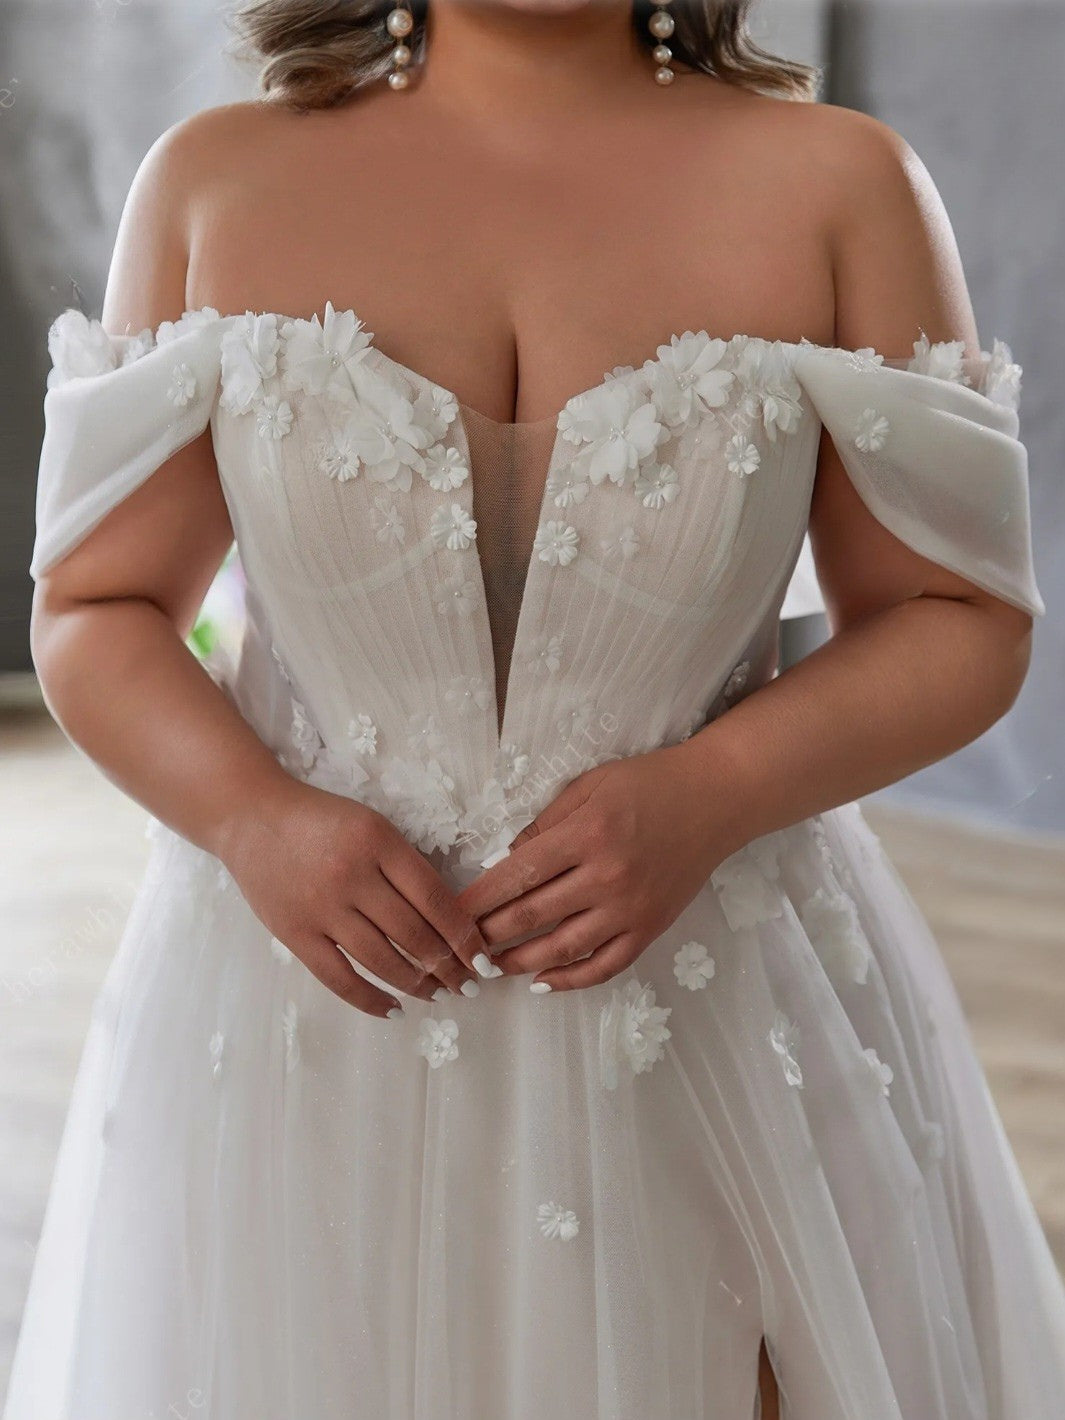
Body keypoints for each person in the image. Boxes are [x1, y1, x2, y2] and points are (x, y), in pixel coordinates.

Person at [7, 2, 1064, 1417]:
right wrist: (252, 822)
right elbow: (98, 606)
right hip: (306, 1007)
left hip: (711, 1002)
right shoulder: (215, 183)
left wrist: (715, 791)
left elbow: (959, 616)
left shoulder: (837, 187)